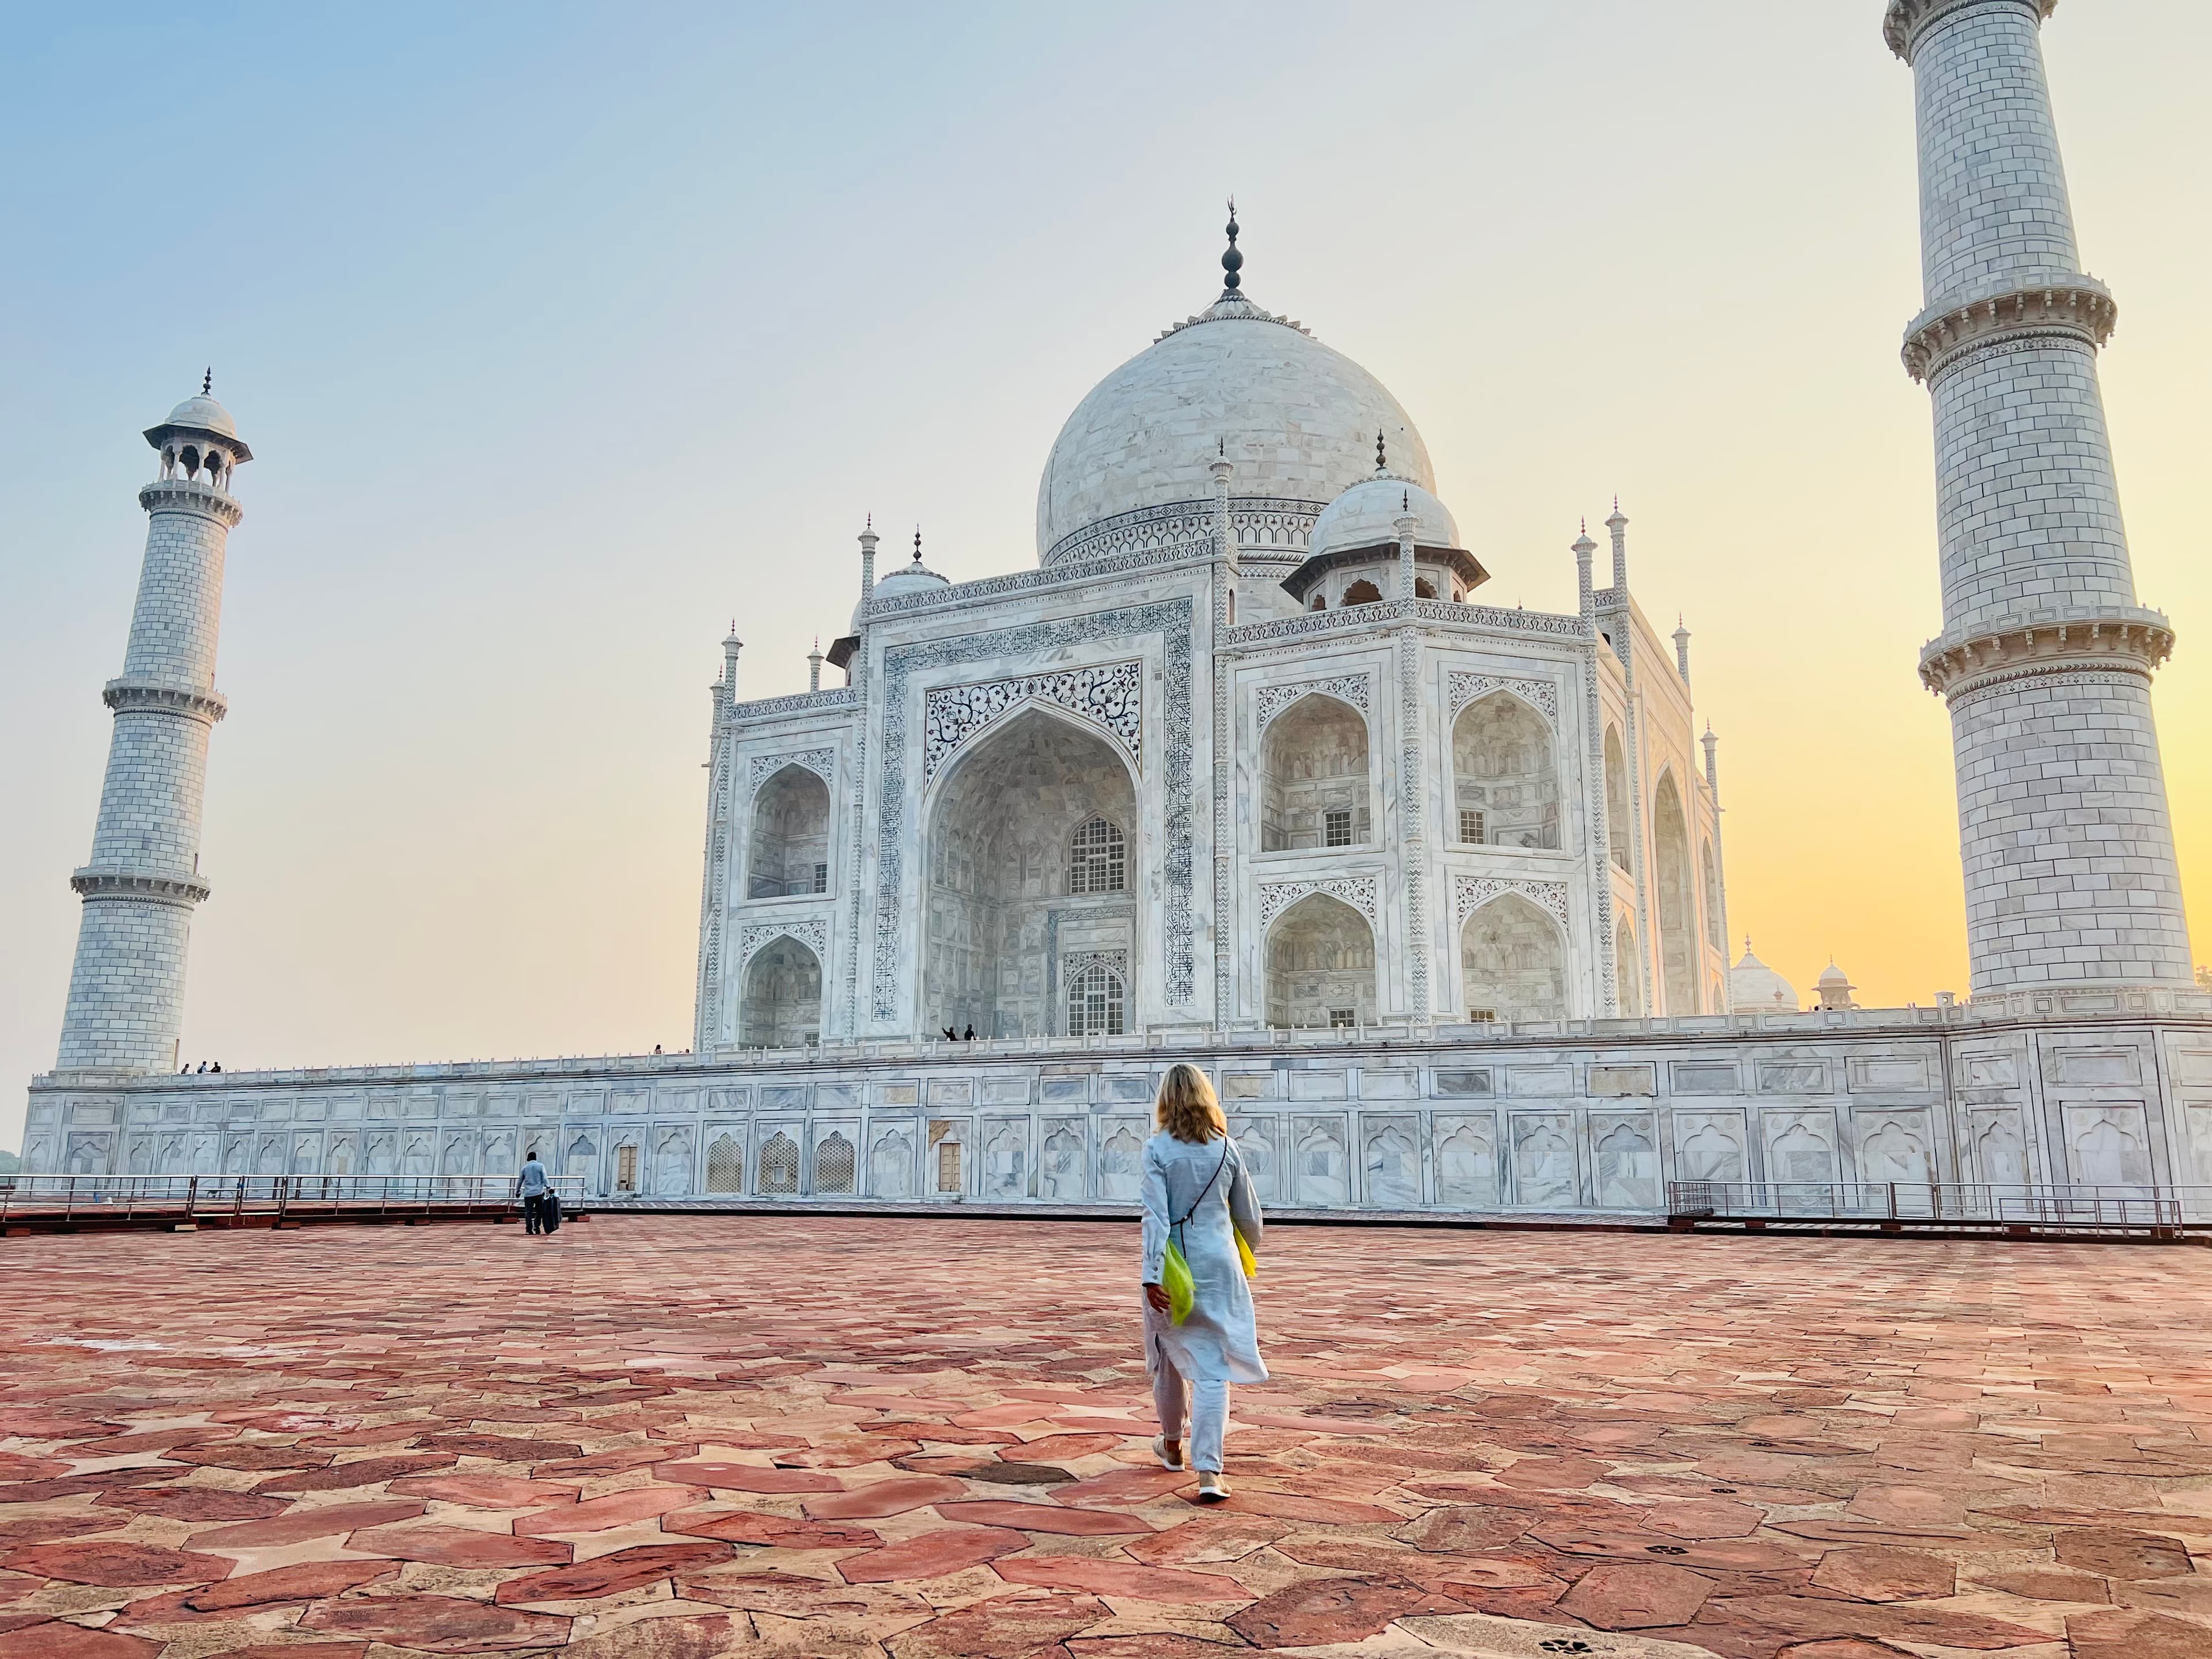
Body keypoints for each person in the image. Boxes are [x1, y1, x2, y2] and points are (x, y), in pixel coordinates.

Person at [1139, 1062, 1264, 1501]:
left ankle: (1172, 1446)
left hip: (1174, 1264)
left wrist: (1151, 1276)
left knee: (1169, 1356)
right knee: (1214, 1369)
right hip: (1221, 1264)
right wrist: (1243, 1254)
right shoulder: (1226, 1148)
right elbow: (1249, 1218)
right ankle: (1209, 1472)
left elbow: (1155, 1219)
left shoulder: (1157, 1149)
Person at [517, 1149, 550, 1234]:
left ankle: (529, 1229)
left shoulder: (525, 1168)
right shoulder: (540, 1166)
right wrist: (549, 1187)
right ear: (535, 1158)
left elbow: (520, 1180)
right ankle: (537, 1226)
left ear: (528, 1158)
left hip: (528, 1194)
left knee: (529, 1212)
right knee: (539, 1211)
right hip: (539, 1193)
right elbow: (545, 1178)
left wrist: (518, 1191)